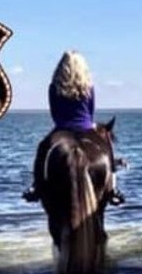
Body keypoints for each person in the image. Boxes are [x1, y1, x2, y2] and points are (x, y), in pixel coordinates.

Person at [23, 50, 124, 204]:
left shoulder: (53, 87)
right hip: (86, 126)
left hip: (62, 126)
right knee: (108, 147)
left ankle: (37, 186)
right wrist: (88, 124)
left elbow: (54, 111)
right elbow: (90, 111)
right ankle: (113, 189)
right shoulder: (88, 87)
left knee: (43, 149)